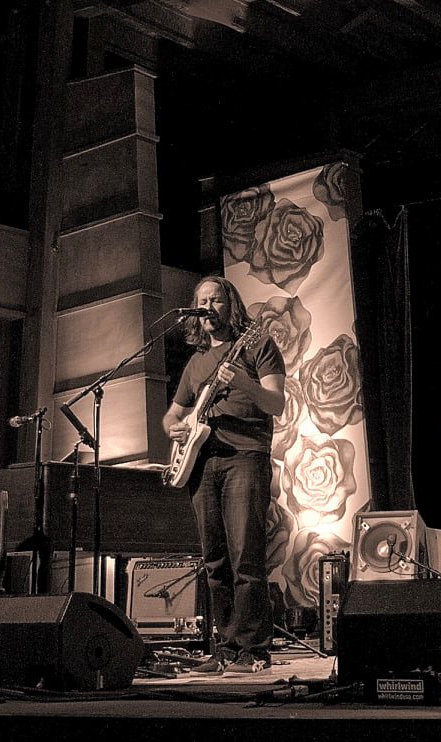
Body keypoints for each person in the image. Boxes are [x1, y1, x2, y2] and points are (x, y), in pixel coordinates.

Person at [161, 275, 286, 674]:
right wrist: (173, 429)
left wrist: (245, 383)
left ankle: (254, 648)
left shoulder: (257, 345)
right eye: (201, 300)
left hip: (244, 458)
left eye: (215, 299)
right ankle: (225, 647)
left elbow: (276, 403)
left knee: (245, 555)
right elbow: (173, 415)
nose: (208, 306)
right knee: (214, 560)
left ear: (230, 304)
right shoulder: (195, 363)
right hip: (202, 462)